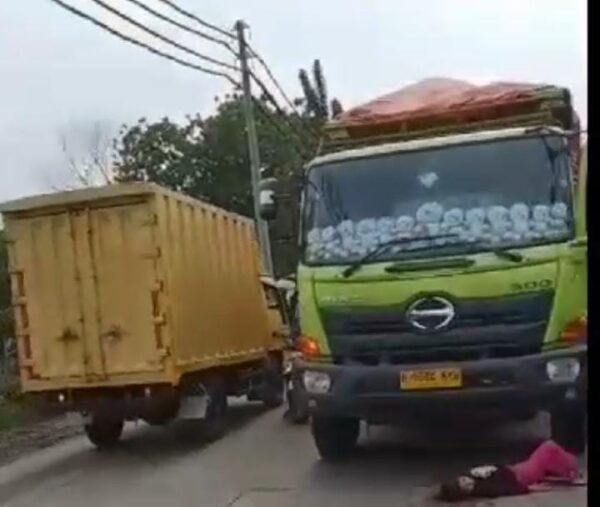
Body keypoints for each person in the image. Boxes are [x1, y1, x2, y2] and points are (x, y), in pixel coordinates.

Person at [435, 439, 585, 502]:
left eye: (463, 480)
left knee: (547, 455)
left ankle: (568, 469)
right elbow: (509, 489)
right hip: (522, 474)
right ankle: (572, 470)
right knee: (548, 447)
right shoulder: (484, 489)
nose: (468, 482)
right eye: (467, 487)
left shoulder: (472, 475)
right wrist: (533, 489)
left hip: (517, 468)